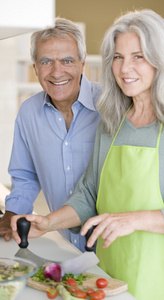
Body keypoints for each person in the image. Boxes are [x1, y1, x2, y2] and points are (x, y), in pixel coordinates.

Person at [12, 9, 164, 299]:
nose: (126, 68)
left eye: (139, 56)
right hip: (108, 276)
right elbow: (88, 194)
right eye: (118, 57)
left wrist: (133, 220)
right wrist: (48, 223)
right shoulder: (112, 122)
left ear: (161, 59)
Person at [0, 18, 102, 252]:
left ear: (82, 63)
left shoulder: (110, 103)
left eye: (67, 60)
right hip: (64, 241)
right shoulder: (28, 112)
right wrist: (11, 215)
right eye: (46, 61)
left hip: (112, 245)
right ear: (35, 66)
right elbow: (25, 176)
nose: (57, 72)